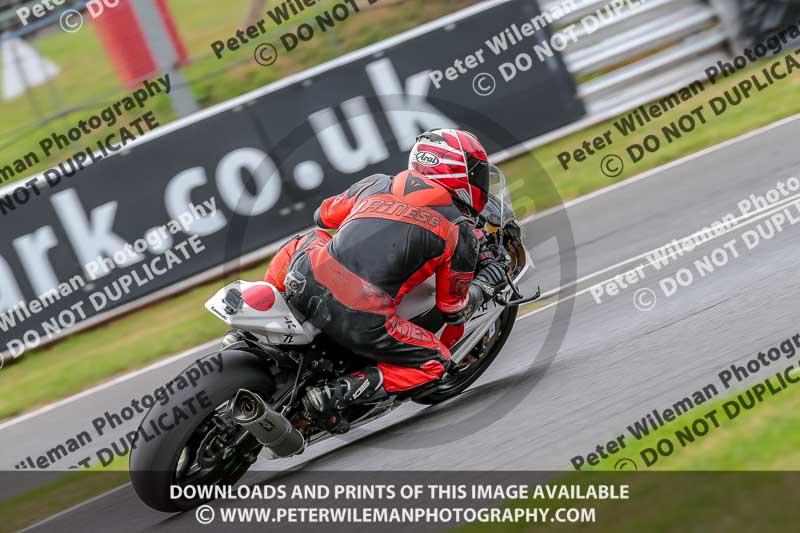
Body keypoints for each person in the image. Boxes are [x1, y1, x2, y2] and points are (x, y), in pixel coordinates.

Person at [265, 129, 509, 433]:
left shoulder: (377, 183)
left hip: (305, 280)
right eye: (477, 172)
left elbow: (324, 216)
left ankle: (268, 307)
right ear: (458, 172)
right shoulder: (459, 230)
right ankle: (333, 395)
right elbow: (454, 309)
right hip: (360, 316)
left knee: (310, 239)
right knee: (435, 361)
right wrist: (486, 283)